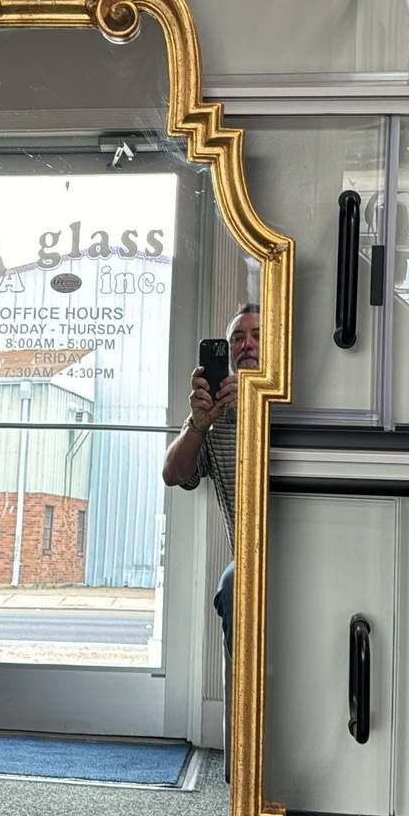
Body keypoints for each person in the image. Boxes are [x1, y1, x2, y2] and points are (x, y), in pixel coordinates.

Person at [161, 305, 260, 775]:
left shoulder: (291, 401)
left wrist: (252, 408)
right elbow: (174, 473)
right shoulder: (213, 417)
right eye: (236, 338)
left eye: (257, 335)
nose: (245, 345)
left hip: (310, 556)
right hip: (249, 563)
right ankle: (242, 761)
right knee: (233, 584)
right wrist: (200, 421)